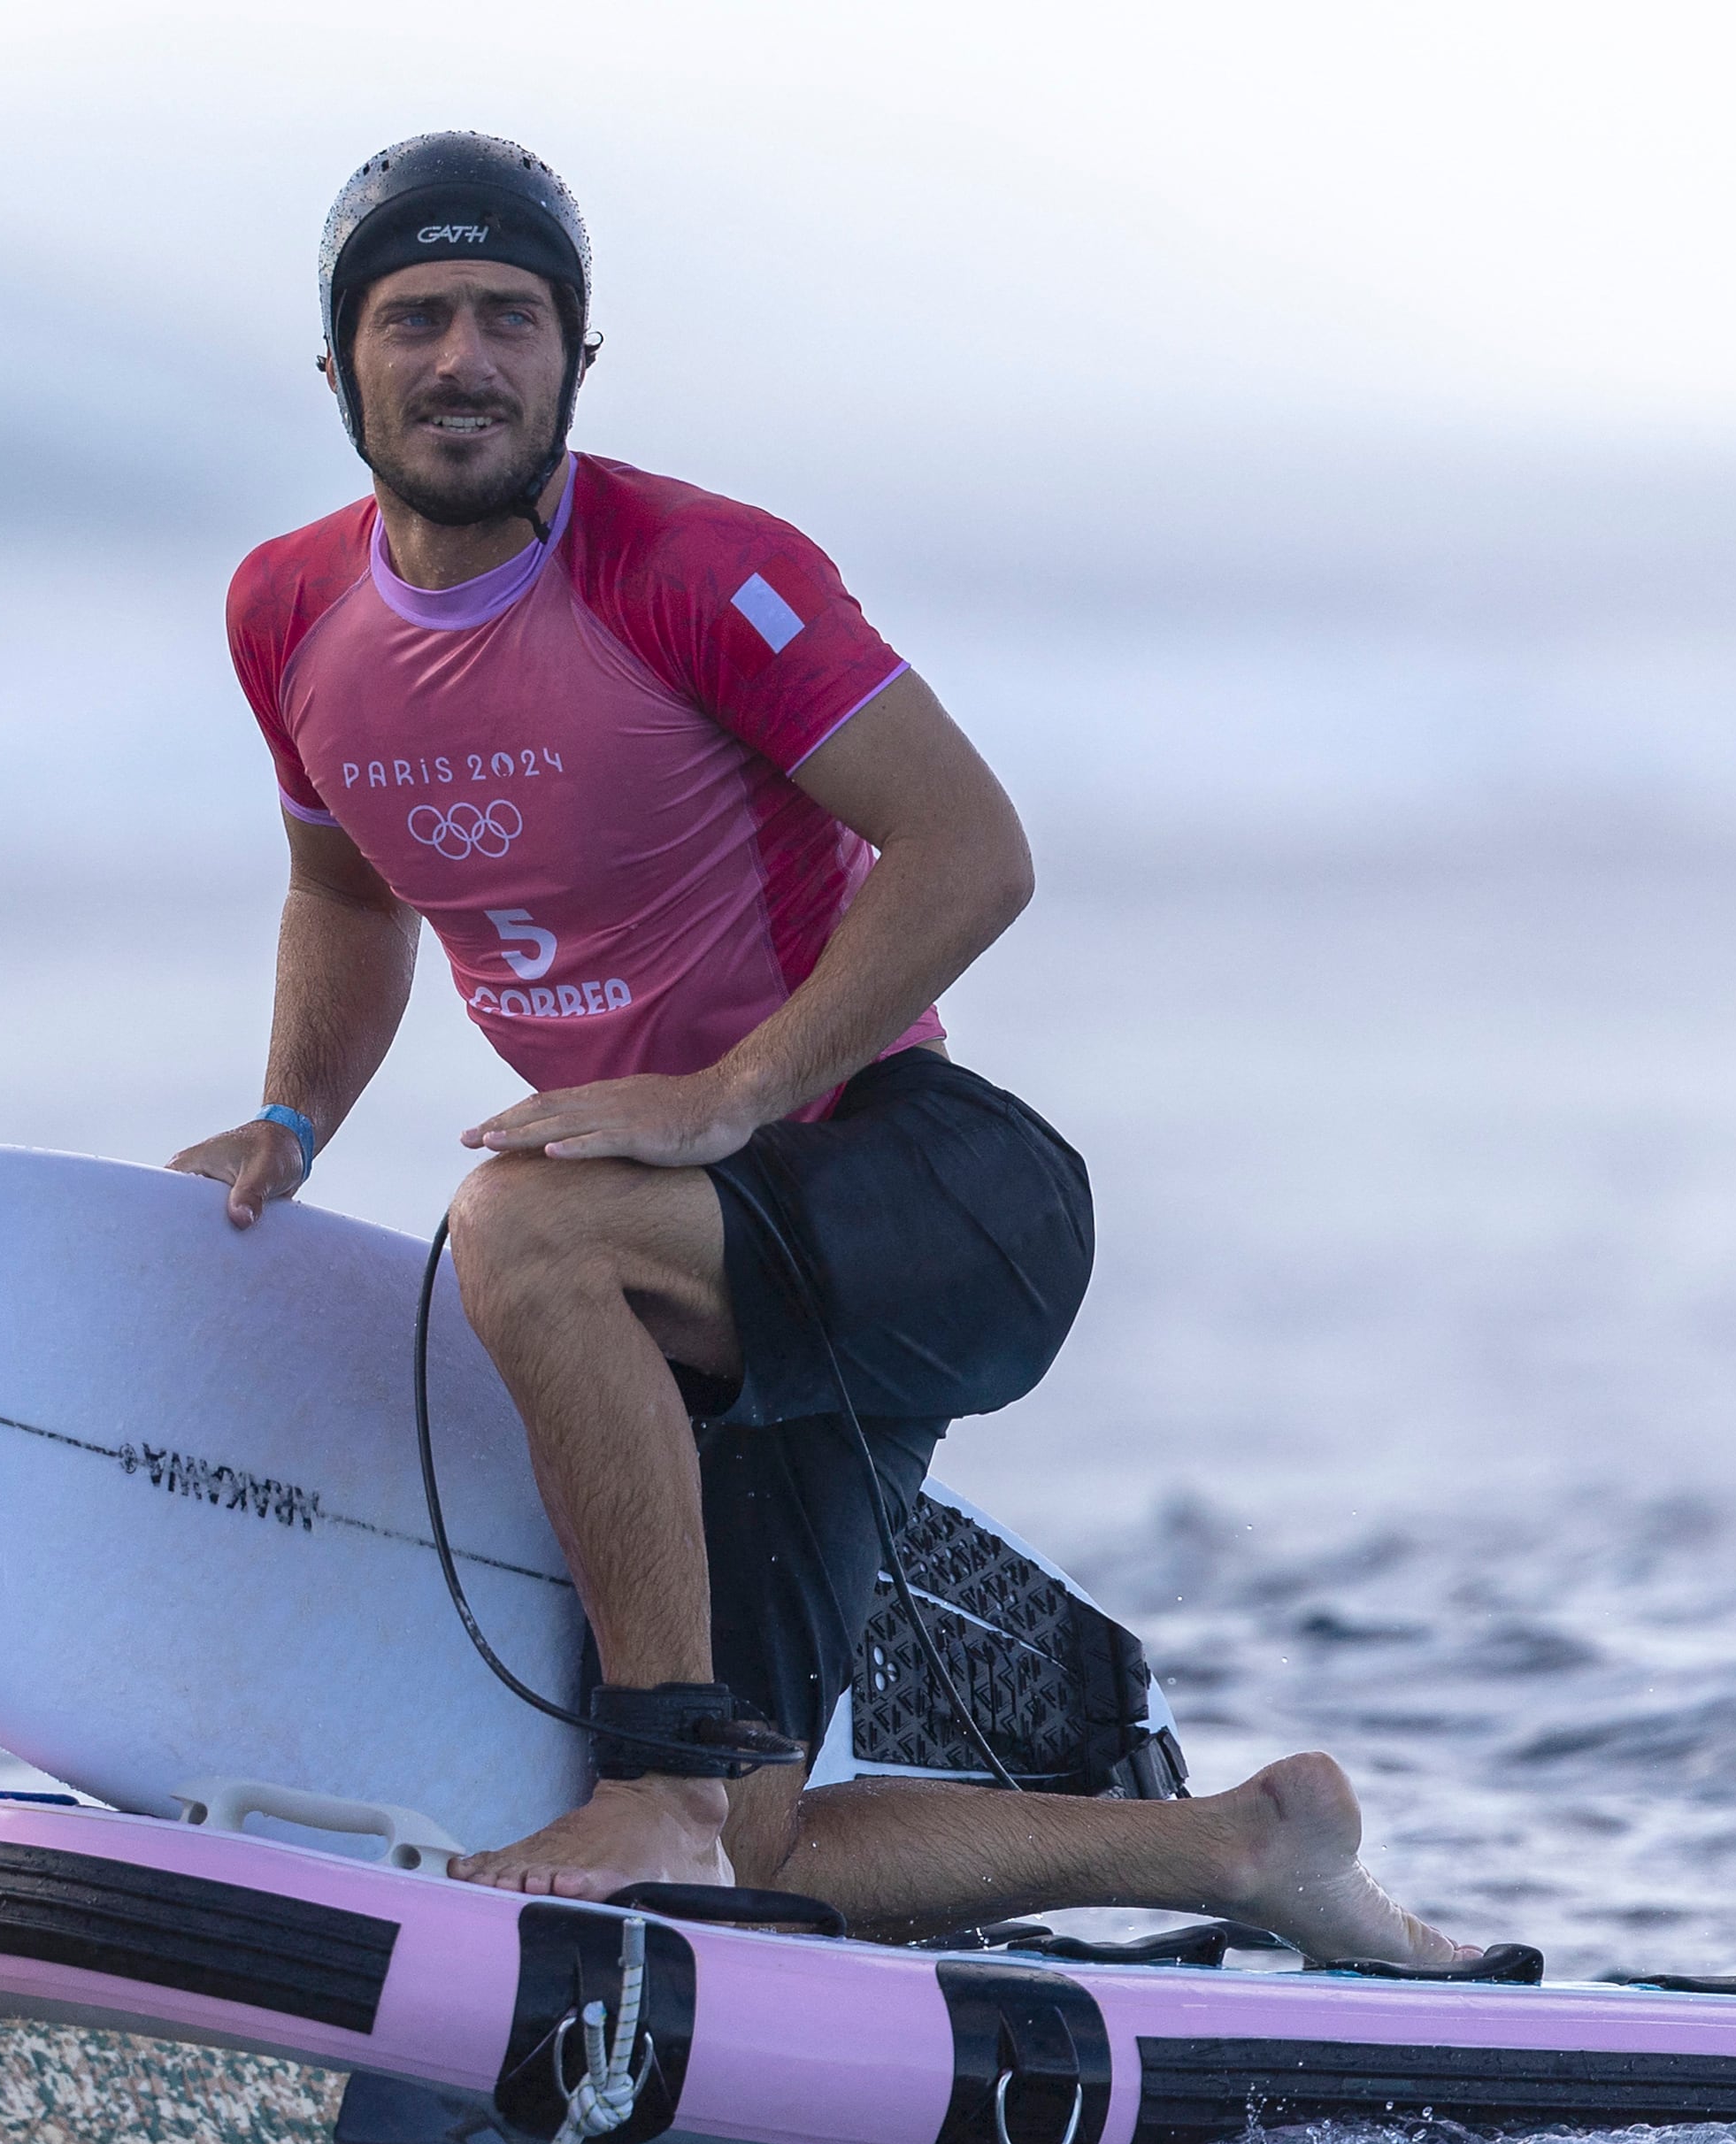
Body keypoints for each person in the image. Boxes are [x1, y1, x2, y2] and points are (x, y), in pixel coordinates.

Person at [172, 132, 1463, 1963]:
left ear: (577, 357)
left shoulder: (699, 570)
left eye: (511, 317)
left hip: (924, 1187)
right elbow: (348, 891)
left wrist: (726, 1096)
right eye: (418, 317)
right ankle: (1246, 1850)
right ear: (340, 365)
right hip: (710, 1282)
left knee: (518, 1223)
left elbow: (972, 847)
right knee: (754, 1860)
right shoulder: (288, 612)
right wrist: (295, 1114)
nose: (465, 355)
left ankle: (651, 1768)